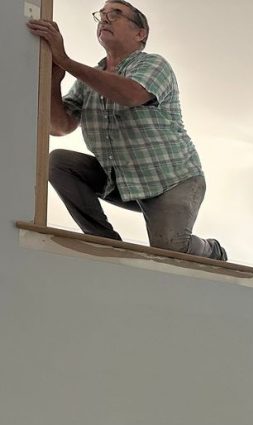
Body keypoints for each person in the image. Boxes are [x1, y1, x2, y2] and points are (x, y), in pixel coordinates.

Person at [26, 2, 227, 261]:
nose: (105, 20)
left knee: (169, 248)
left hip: (172, 181)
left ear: (140, 33)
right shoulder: (88, 81)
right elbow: (60, 126)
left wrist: (66, 60)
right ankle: (107, 245)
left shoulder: (155, 65)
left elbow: (131, 94)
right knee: (59, 162)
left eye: (116, 15)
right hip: (121, 180)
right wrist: (54, 80)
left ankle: (212, 249)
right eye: (101, 16)